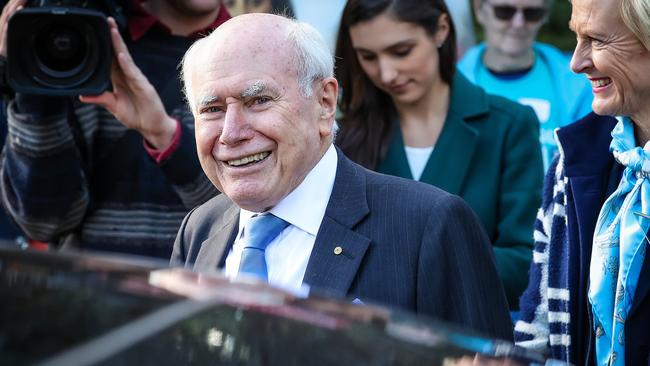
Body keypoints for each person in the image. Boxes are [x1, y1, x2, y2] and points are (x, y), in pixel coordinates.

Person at [172, 12, 513, 339]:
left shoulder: (429, 226)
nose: (231, 133)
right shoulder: (199, 230)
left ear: (324, 102)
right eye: (212, 109)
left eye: (258, 100)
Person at [334, 0, 543, 311]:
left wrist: (421, 259)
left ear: (441, 30)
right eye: (368, 57)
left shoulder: (509, 126)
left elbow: (528, 266)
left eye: (401, 51)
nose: (387, 73)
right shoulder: (345, 136)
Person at [0, 0, 228, 258]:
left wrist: (165, 135)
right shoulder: (87, 42)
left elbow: (252, 209)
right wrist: (34, 70)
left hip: (201, 295)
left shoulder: (252, 54)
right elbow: (43, 222)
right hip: (95, 294)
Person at [514, 0, 650, 364]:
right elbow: (538, 333)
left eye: (597, 40)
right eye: (577, 37)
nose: (576, 62)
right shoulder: (572, 160)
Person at [458, 0, 592, 169]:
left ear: (545, 16)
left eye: (532, 14)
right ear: (479, 11)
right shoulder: (451, 85)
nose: (518, 23)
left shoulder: (580, 86)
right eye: (504, 11)